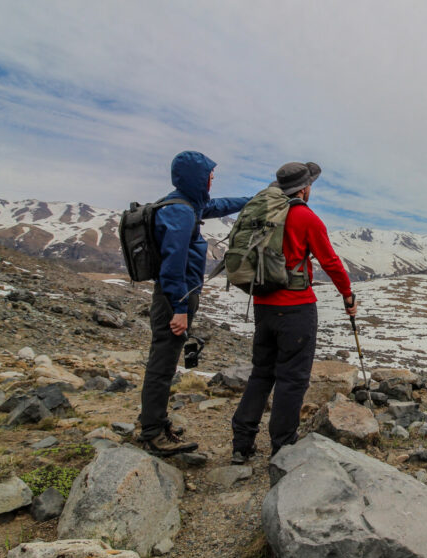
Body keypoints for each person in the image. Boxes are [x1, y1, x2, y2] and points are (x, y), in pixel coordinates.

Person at [230, 161, 356, 463]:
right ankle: (283, 446)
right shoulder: (304, 217)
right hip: (296, 308)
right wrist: (348, 294)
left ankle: (241, 442)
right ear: (304, 188)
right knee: (292, 378)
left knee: (262, 373)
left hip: (263, 305)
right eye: (310, 183)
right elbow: (330, 262)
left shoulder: (264, 212)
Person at [138, 150, 250, 456]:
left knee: (164, 360)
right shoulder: (180, 212)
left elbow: (219, 205)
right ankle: (151, 434)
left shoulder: (187, 204)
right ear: (196, 177)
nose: (213, 179)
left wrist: (252, 199)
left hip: (177, 296)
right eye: (209, 175)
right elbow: (173, 265)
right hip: (174, 298)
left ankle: (156, 422)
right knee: (162, 365)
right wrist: (180, 309)